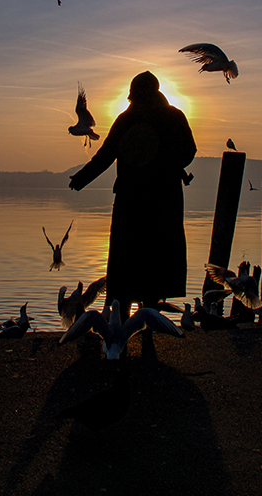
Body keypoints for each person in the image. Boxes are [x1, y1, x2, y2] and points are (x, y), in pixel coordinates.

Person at [69, 71, 197, 321]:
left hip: (131, 200)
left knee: (125, 262)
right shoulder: (174, 116)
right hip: (165, 200)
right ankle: (149, 320)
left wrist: (82, 179)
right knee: (156, 261)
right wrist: (170, 166)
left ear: (133, 92)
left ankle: (122, 322)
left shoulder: (127, 118)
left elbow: (105, 155)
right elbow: (189, 151)